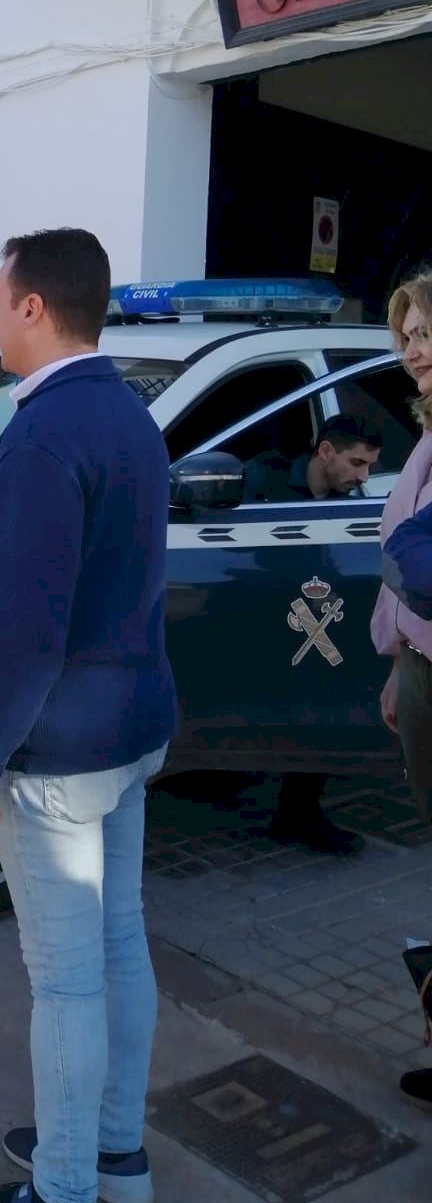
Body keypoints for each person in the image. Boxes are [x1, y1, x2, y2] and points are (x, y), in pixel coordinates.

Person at [0, 229, 175, 1203]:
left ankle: (65, 1186)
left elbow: (27, 629)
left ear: (35, 307)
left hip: (60, 754)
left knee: (66, 981)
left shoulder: (40, 432)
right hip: (130, 735)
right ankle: (115, 1155)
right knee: (120, 948)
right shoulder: (127, 415)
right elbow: (66, 553)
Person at [244, 415, 383, 857]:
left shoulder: (349, 502)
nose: (364, 477)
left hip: (304, 618)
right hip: (249, 613)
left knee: (323, 689)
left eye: (370, 466)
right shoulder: (262, 479)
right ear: (325, 452)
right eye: (356, 463)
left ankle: (298, 813)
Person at [371, 270, 432, 1114]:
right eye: (407, 337)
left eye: (425, 333)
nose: (413, 351)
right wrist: (396, 662)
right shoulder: (426, 432)